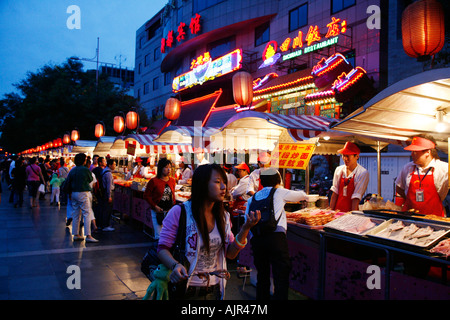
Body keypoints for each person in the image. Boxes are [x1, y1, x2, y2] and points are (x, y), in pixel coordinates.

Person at [157, 164, 260, 300]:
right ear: (202, 184)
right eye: (217, 182)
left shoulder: (224, 216)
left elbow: (230, 253)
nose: (224, 187)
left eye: (224, 182)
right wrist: (175, 265)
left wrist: (246, 228)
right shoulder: (179, 212)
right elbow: (162, 249)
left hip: (215, 288)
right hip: (186, 288)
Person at [245, 168, 311, 300]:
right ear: (278, 181)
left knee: (262, 275)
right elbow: (301, 195)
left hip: (257, 240)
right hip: (276, 239)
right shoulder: (279, 192)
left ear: (262, 182)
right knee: (281, 276)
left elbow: (248, 220)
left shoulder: (251, 199)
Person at [395, 134, 448, 216]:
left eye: (415, 151)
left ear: (427, 152)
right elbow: (399, 188)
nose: (412, 154)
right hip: (410, 217)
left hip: (434, 218)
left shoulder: (444, 169)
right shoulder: (407, 168)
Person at [66, 153, 97, 243]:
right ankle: (88, 235)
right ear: (84, 160)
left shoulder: (73, 170)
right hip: (83, 192)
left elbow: (69, 180)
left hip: (74, 193)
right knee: (86, 213)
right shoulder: (85, 169)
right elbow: (90, 179)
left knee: (76, 213)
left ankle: (76, 234)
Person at [329, 141, 369, 212]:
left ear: (357, 156)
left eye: (348, 156)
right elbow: (335, 193)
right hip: (337, 211)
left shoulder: (362, 173)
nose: (345, 159)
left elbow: (356, 198)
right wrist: (330, 212)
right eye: (343, 155)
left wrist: (353, 217)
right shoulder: (339, 170)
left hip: (350, 212)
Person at [144, 158, 177, 240]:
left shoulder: (172, 180)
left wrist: (173, 207)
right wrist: (155, 206)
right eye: (166, 167)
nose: (169, 169)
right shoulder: (154, 181)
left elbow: (172, 195)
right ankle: (158, 252)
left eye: (170, 167)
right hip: (158, 212)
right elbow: (146, 195)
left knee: (168, 235)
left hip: (169, 212)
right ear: (161, 168)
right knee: (159, 236)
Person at [100, 158, 117, 232]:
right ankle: (106, 225)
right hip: (107, 193)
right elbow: (109, 186)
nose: (115, 166)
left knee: (105, 209)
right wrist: (109, 196)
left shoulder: (104, 171)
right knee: (108, 209)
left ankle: (104, 224)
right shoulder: (108, 174)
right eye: (114, 164)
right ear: (110, 165)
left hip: (105, 193)